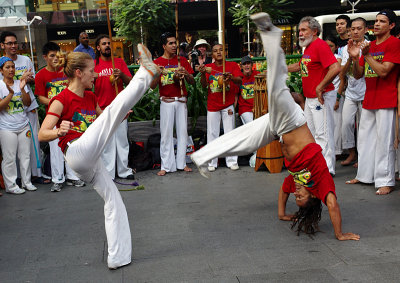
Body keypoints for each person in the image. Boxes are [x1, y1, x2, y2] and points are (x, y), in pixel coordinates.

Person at [191, 13, 360, 241]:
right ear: (313, 195)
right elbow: (333, 205)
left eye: (296, 197)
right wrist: (339, 234)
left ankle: (202, 157)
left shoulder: (297, 182)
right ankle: (271, 34)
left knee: (244, 141)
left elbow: (282, 193)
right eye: (301, 197)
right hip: (292, 122)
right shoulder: (320, 182)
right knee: (276, 87)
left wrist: (282, 213)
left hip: (277, 130)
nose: (297, 194)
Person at [38, 45, 160, 269]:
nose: (95, 75)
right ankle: (146, 71)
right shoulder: (60, 99)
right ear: (78, 73)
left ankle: (117, 257)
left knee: (114, 200)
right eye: (91, 71)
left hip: (90, 159)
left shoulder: (91, 96)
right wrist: (58, 131)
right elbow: (42, 134)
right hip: (76, 151)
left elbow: (104, 123)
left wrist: (120, 117)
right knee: (115, 108)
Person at [346, 9, 400, 195]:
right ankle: (365, 175)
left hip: (386, 99)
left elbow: (385, 72)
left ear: (391, 26)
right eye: (376, 21)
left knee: (384, 142)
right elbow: (358, 74)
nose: (376, 24)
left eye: (382, 21)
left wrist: (366, 55)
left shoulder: (394, 43)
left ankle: (386, 180)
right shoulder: (369, 45)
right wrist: (355, 58)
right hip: (369, 98)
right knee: (365, 141)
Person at [288, 16, 341, 176]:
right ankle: (315, 165)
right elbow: (301, 66)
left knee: (323, 133)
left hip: (321, 97)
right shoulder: (309, 47)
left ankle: (326, 168)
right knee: (311, 133)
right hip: (311, 98)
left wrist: (320, 87)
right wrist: (281, 68)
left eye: (304, 30)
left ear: (315, 31)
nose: (300, 34)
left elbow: (335, 68)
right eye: (299, 31)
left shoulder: (320, 45)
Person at [0, 31, 48, 184]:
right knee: (11, 149)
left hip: (28, 105)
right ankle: (16, 180)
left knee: (32, 142)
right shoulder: (0, 63)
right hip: (9, 110)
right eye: (9, 43)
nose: (13, 45)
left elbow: (33, 80)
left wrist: (26, 80)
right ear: (2, 45)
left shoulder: (25, 60)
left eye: (15, 42)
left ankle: (35, 175)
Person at [35, 42, 84, 192]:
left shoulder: (65, 71)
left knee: (71, 146)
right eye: (52, 56)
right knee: (56, 149)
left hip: (70, 116)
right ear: (45, 57)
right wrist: (57, 103)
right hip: (54, 117)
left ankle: (73, 177)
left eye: (57, 55)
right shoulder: (41, 75)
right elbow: (40, 97)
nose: (56, 58)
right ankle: (57, 179)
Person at [152, 32, 195, 176]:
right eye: (170, 43)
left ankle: (182, 163)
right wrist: (158, 73)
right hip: (166, 101)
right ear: (164, 46)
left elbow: (192, 81)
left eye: (175, 43)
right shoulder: (157, 62)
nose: (174, 46)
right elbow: (152, 86)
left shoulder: (182, 60)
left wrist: (186, 74)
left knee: (183, 132)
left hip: (181, 100)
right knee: (166, 134)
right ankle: (166, 165)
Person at [94, 35, 135, 180]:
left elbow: (131, 82)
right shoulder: (94, 65)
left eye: (109, 43)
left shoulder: (119, 62)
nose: (107, 46)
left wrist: (122, 75)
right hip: (103, 108)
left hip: (120, 106)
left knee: (122, 141)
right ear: (98, 48)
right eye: (104, 44)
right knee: (107, 144)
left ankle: (124, 171)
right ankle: (109, 173)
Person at [199, 43, 242, 172]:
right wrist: (202, 74)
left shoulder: (232, 66)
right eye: (215, 51)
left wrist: (231, 78)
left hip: (227, 104)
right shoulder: (208, 67)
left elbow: (240, 80)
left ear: (225, 52)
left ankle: (232, 161)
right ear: (212, 54)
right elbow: (204, 86)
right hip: (213, 105)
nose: (218, 53)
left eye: (221, 50)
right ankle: (212, 161)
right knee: (212, 134)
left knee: (230, 133)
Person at [0, 56, 37, 194]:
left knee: (25, 155)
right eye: (7, 67)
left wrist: (22, 89)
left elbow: (27, 103)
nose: (11, 69)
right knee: (9, 158)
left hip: (23, 125)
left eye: (12, 67)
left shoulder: (20, 83)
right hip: (6, 128)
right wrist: (10, 94)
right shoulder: (0, 85)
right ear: (1, 70)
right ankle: (11, 186)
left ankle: (26, 182)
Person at [340, 17, 368, 166]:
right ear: (349, 30)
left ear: (365, 30)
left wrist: (357, 57)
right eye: (353, 29)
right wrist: (351, 58)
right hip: (350, 93)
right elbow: (342, 72)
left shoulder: (368, 46)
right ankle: (352, 153)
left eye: (359, 28)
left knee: (363, 127)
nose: (355, 31)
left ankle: (363, 157)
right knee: (346, 124)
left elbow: (360, 73)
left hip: (365, 92)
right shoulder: (346, 48)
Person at [324, 35, 344, 157]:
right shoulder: (322, 59)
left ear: (336, 47)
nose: (328, 48)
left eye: (331, 46)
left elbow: (342, 80)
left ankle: (336, 152)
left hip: (335, 94)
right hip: (324, 95)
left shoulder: (338, 59)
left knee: (336, 124)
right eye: (326, 46)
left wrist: (337, 98)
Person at [238, 55, 259, 125]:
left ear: (252, 65)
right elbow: (234, 94)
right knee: (252, 125)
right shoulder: (238, 77)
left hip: (258, 106)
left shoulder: (257, 74)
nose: (246, 66)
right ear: (241, 66)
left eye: (248, 63)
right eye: (244, 64)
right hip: (245, 108)